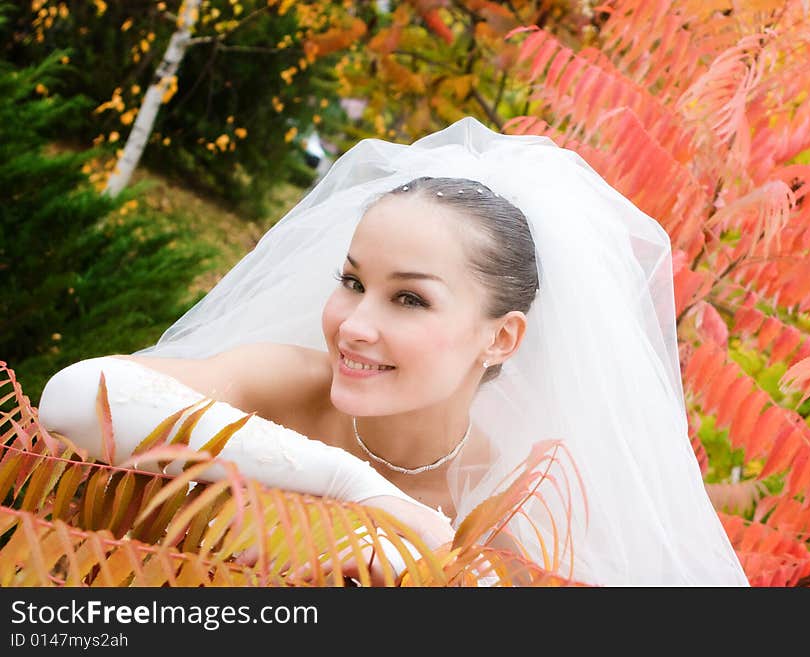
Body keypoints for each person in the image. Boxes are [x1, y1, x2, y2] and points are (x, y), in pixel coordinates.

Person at [38, 117, 750, 586]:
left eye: (408, 298)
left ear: (500, 337)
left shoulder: (524, 503)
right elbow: (72, 398)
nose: (354, 324)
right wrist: (356, 489)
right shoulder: (288, 386)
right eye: (352, 282)